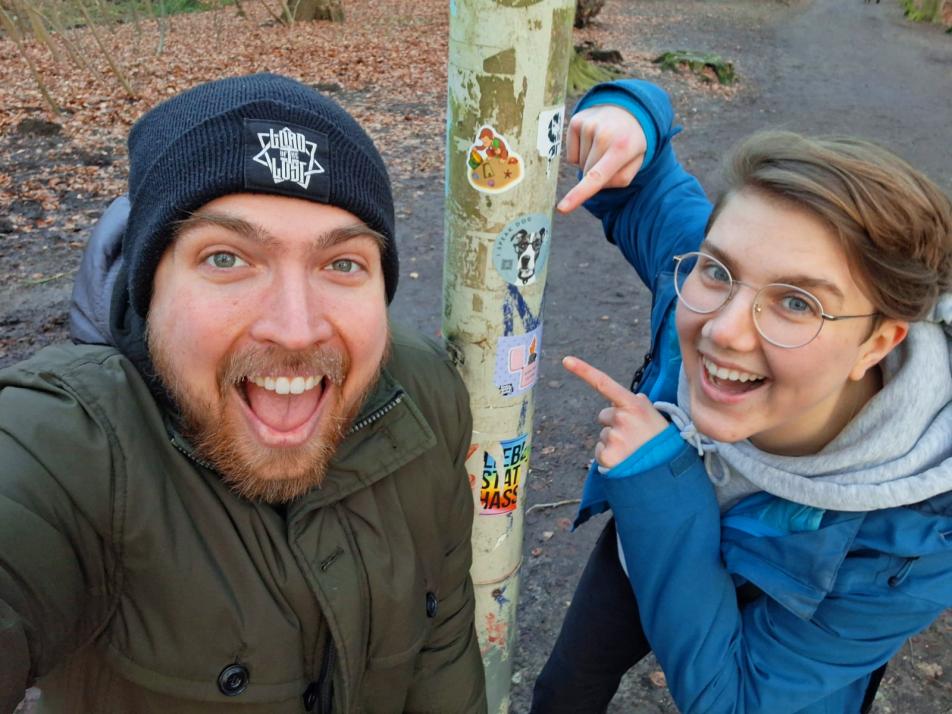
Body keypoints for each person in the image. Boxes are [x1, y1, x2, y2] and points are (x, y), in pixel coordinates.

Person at [0, 73, 486, 714]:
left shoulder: (424, 393)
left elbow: (444, 640)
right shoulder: (69, 449)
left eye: (342, 263)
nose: (295, 327)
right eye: (227, 258)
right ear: (150, 291)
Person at [531, 78, 952, 714]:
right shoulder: (696, 286)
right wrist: (624, 114)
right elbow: (641, 179)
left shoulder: (923, 529)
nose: (721, 330)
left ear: (877, 343)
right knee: (565, 690)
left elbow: (736, 700)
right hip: (650, 530)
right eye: (718, 269)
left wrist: (657, 480)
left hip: (789, 578)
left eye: (796, 302)